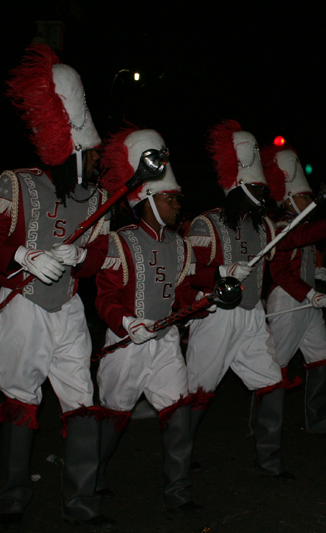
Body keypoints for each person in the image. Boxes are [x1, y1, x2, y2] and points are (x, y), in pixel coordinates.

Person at [0, 44, 114, 530]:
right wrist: (22, 255)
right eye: (92, 155)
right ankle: (13, 496)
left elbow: (95, 262)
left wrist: (80, 258)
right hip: (20, 305)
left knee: (82, 398)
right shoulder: (16, 183)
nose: (99, 164)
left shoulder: (101, 200)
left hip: (68, 309)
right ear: (72, 152)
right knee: (20, 397)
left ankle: (83, 503)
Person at [94, 128, 209, 514]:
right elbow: (105, 299)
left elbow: (183, 294)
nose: (179, 204)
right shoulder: (120, 241)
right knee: (113, 419)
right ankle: (92, 477)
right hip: (125, 347)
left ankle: (178, 489)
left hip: (165, 345)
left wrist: (205, 299)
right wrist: (126, 323)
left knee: (179, 411)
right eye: (170, 197)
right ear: (147, 198)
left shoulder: (181, 245)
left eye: (177, 198)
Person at [185, 120, 299, 479]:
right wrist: (220, 272)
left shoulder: (265, 226)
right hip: (215, 318)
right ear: (237, 186)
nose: (261, 194)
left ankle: (268, 459)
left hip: (253, 317)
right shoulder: (206, 224)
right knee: (197, 392)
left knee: (271, 383)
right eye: (254, 187)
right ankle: (180, 457)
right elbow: (189, 276)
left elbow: (293, 241)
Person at [262, 144, 326, 433]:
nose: (309, 200)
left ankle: (317, 422)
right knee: (274, 366)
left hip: (309, 299)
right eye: (304, 196)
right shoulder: (281, 223)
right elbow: (280, 272)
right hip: (288, 301)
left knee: (321, 356)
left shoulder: (301, 225)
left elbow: (301, 248)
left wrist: (315, 276)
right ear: (289, 199)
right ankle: (264, 425)